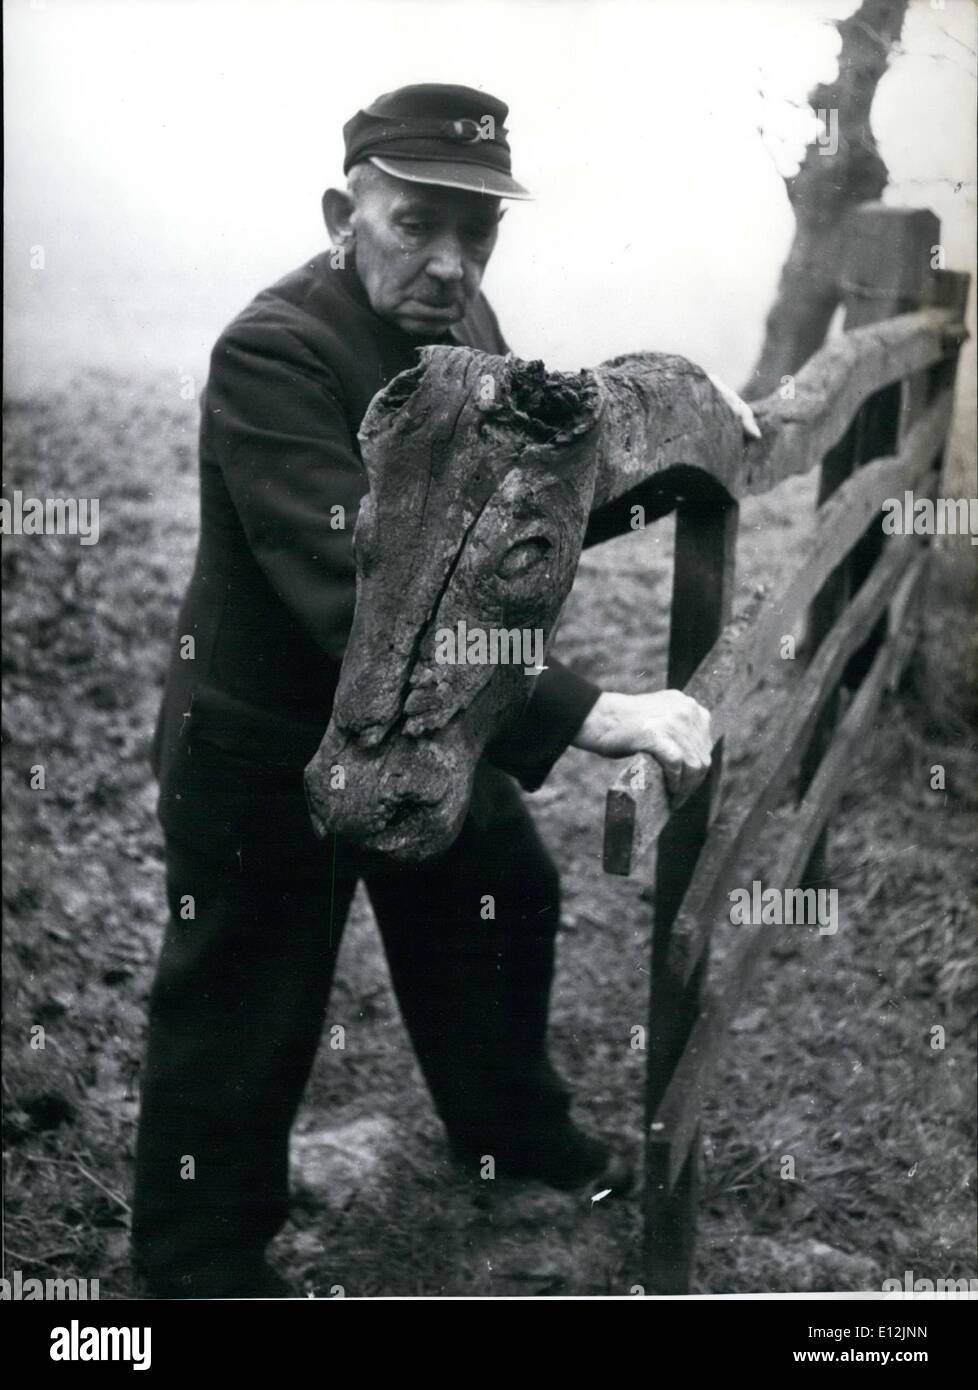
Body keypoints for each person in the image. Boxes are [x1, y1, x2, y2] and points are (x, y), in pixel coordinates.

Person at [132, 83, 748, 1299]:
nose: (450, 263)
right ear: (343, 212)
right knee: (245, 1002)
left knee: (500, 885)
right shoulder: (275, 354)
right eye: (419, 225)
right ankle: (194, 1265)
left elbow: (526, 507)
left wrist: (685, 446)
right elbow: (377, 600)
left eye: (478, 235)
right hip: (265, 742)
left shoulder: (460, 332)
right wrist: (586, 713)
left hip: (418, 725)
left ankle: (509, 1130)